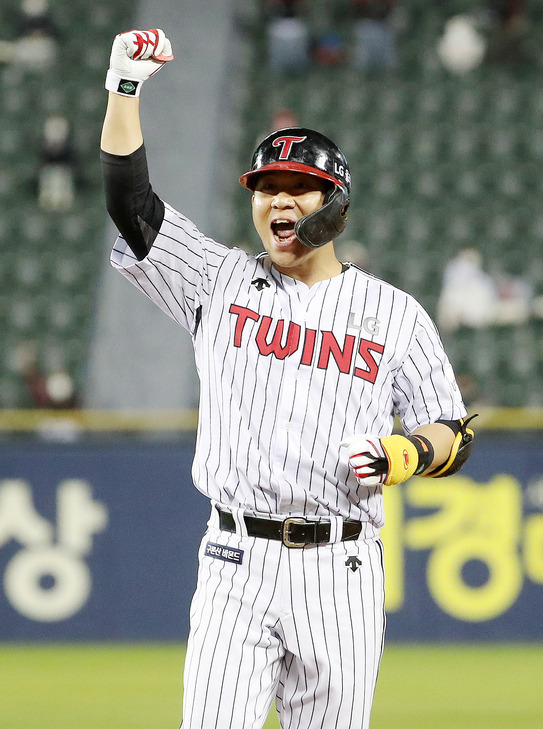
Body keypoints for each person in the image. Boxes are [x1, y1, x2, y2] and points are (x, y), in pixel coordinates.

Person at [100, 28, 475, 729]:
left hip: (341, 571)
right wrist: (124, 89)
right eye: (266, 188)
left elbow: (453, 431)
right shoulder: (219, 281)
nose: (279, 201)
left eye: (300, 188)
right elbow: (134, 206)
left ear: (337, 205)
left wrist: (406, 453)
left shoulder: (393, 315)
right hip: (234, 559)